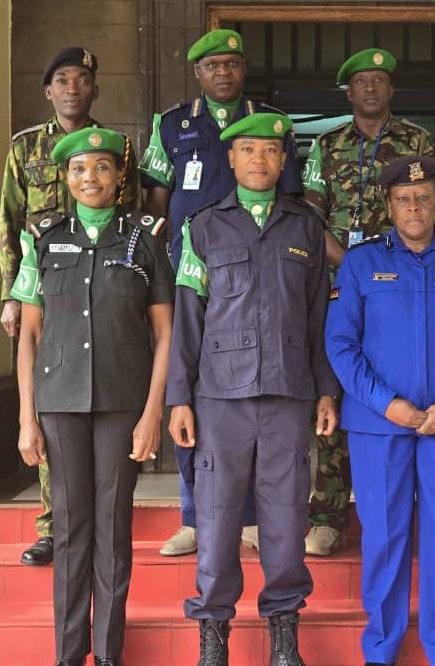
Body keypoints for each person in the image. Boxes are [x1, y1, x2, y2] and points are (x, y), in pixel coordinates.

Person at [166, 112, 339, 665]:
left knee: (286, 517)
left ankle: (283, 636)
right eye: (248, 150)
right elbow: (187, 319)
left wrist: (326, 390)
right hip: (219, 398)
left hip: (289, 392)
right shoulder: (202, 227)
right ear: (231, 160)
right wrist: (178, 398)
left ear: (283, 161)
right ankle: (213, 635)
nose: (259, 160)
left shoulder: (305, 227)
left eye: (269, 151)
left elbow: (319, 317)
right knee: (217, 519)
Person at [326, 156, 435, 666]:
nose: (414, 207)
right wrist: (387, 404)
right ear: (389, 206)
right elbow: (341, 345)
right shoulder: (360, 262)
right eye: (403, 199)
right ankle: (381, 650)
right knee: (384, 538)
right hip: (379, 425)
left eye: (423, 197)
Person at [11, 128, 174, 666]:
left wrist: (152, 413)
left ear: (119, 175)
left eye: (102, 167)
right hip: (59, 402)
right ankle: (68, 651)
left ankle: (107, 652)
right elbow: (29, 335)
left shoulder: (144, 236)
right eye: (79, 169)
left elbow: (165, 333)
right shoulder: (43, 237)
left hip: (123, 403)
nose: (90, 178)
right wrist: (26, 417)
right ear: (66, 177)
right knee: (70, 525)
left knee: (112, 526)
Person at [140, 28, 302, 557]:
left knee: (253, 397)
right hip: (191, 273)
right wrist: (153, 271)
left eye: (232, 64)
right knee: (190, 391)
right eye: (213, 66)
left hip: (258, 274)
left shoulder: (272, 123)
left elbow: (293, 201)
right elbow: (156, 202)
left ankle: (251, 518)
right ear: (198, 73)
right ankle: (194, 516)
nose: (223, 73)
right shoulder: (171, 125)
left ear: (243, 69)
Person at [300, 47, 435, 556]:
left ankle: (404, 511)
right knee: (336, 387)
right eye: (361, 81)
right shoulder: (327, 145)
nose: (370, 89)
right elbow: (311, 217)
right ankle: (327, 515)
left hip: (403, 285)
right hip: (338, 282)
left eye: (379, 81)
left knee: (398, 383)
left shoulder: (417, 141)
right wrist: (351, 263)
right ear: (349, 92)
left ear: (391, 90)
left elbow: (433, 208)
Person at [0, 46, 139, 567]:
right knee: (50, 404)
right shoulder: (24, 148)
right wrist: (11, 294)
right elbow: (9, 222)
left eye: (82, 79)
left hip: (102, 287)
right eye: (63, 79)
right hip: (46, 291)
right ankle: (53, 525)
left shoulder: (118, 148)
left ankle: (96, 521)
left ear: (96, 88)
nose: (73, 87)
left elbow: (131, 218)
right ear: (48, 91)